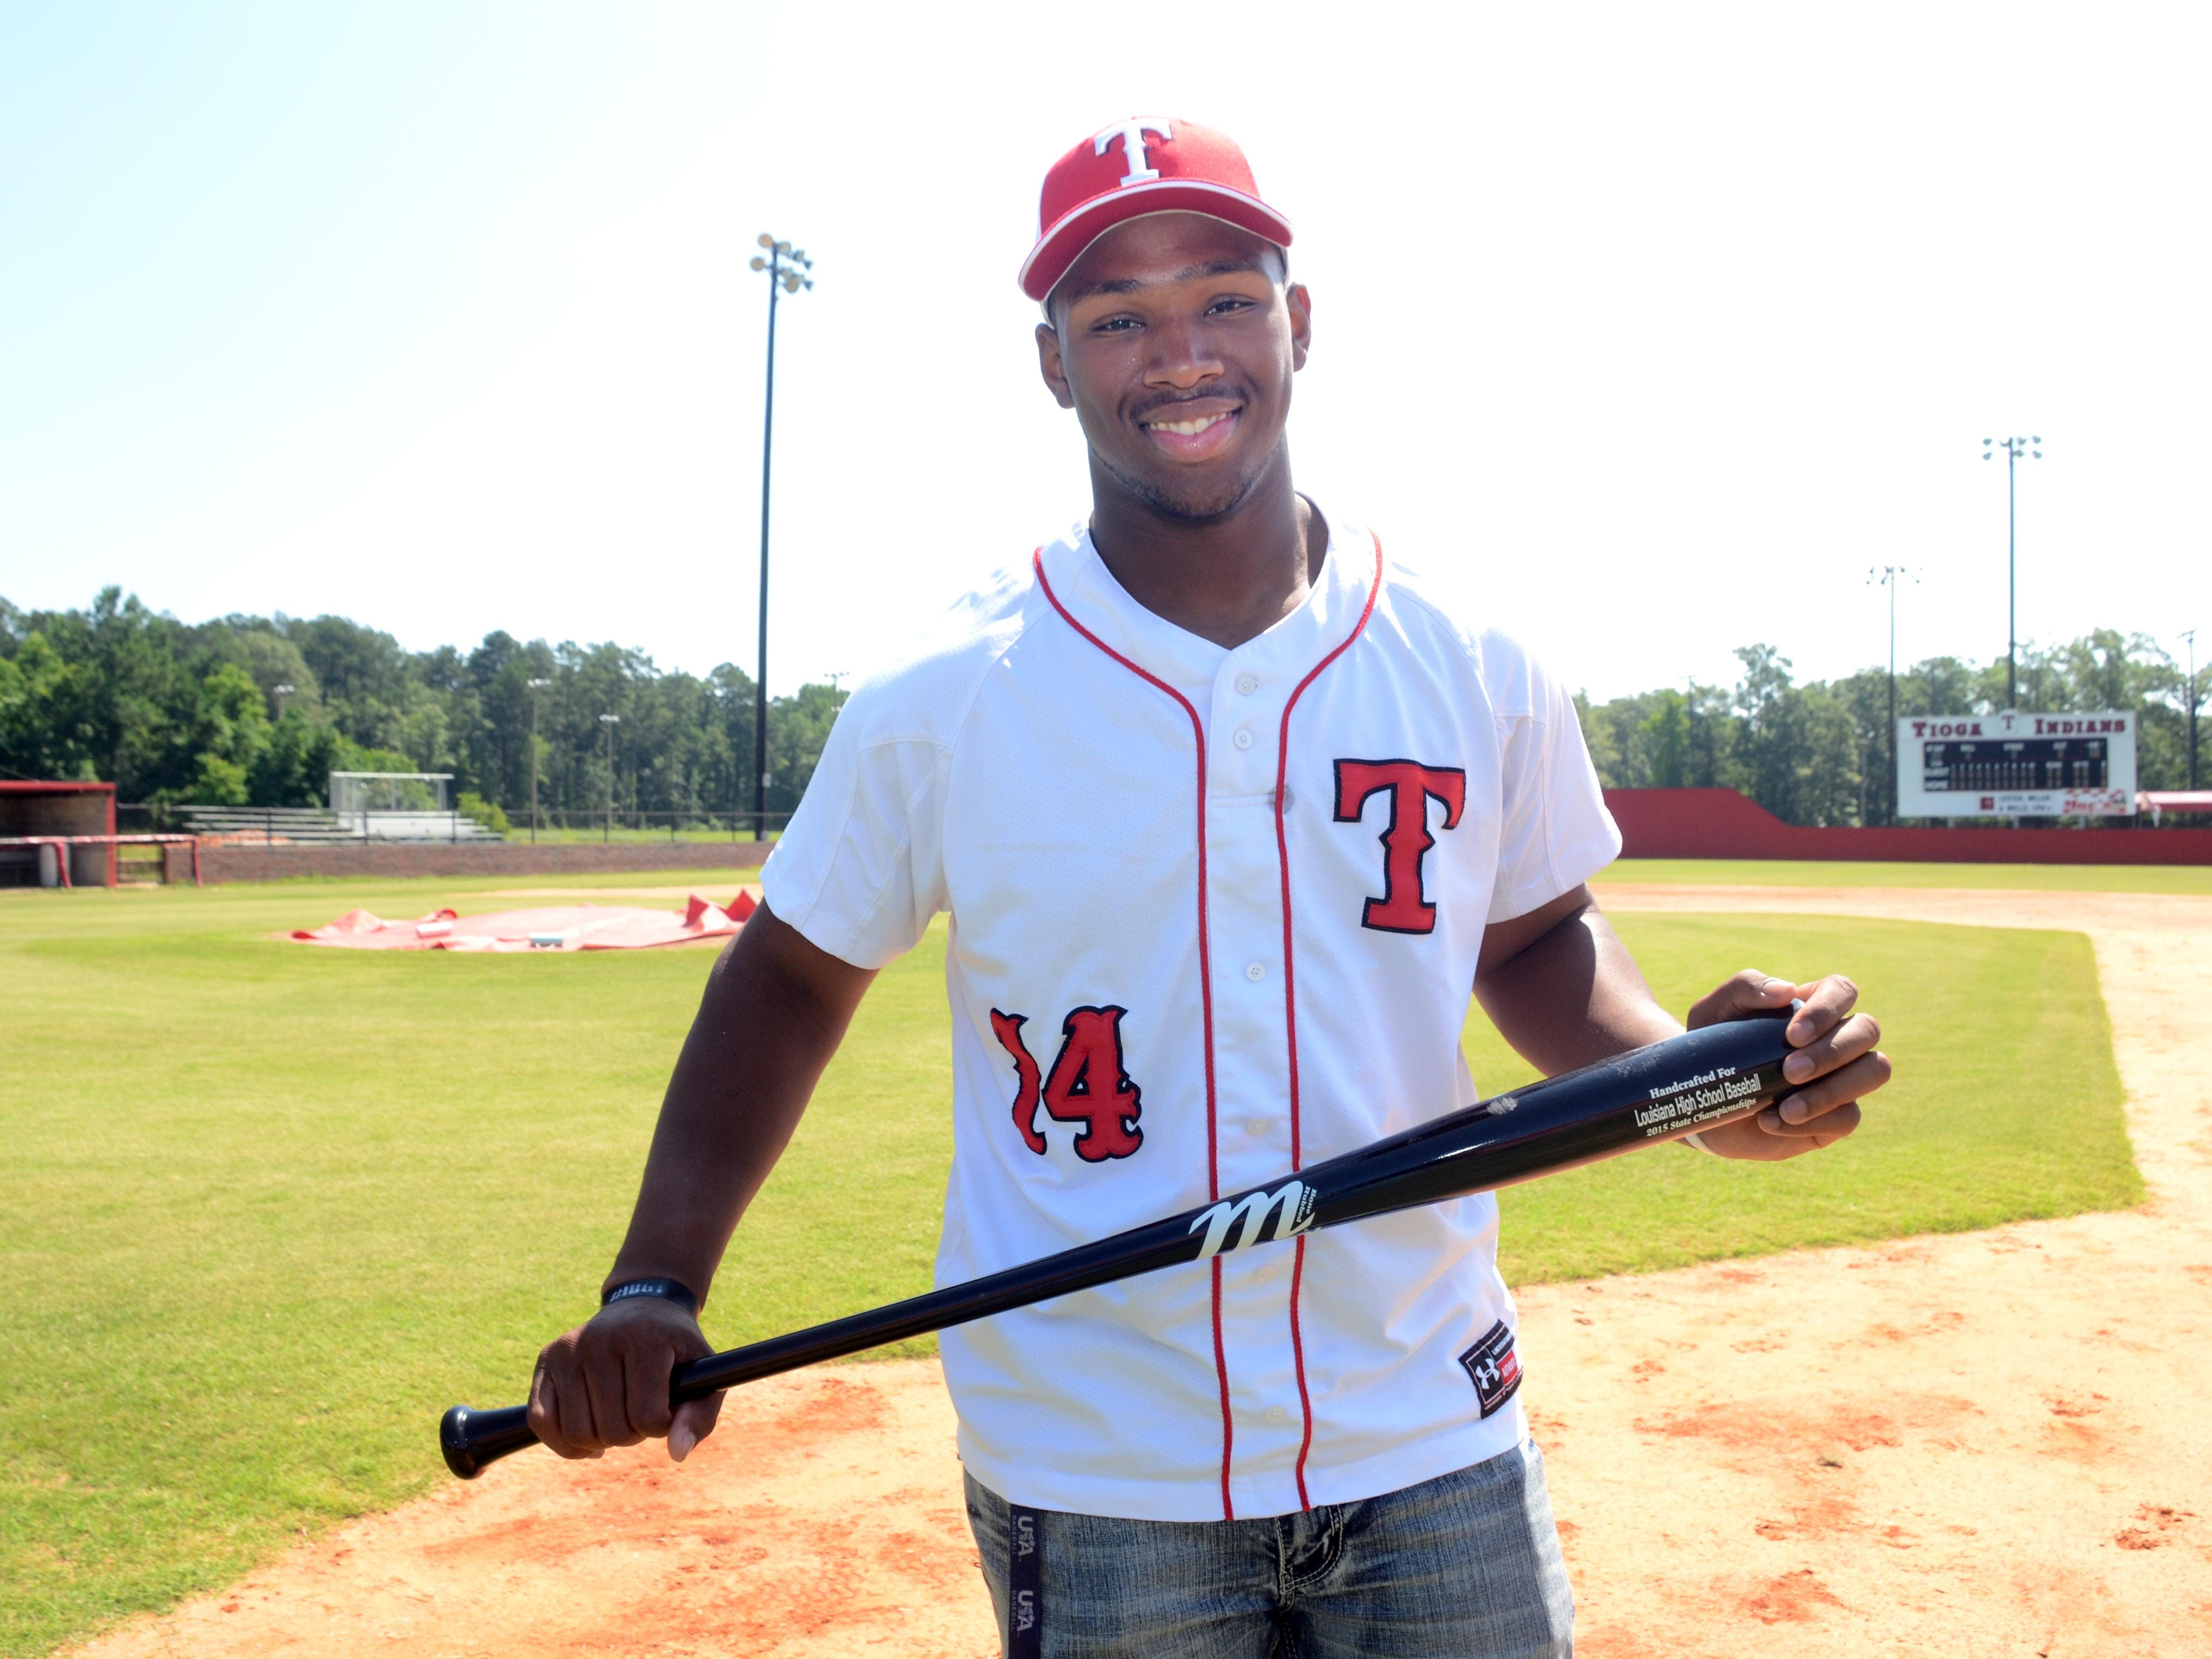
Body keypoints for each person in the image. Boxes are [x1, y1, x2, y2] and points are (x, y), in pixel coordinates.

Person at [527, 118, 1891, 1657]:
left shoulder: (1472, 657)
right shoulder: (947, 692)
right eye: (1118, 317)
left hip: (1427, 1422)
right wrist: (658, 1276)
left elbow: (1533, 939)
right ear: (1052, 362)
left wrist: (1682, 1079)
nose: (1179, 353)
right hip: (1099, 1463)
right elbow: (786, 974)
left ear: (1298, 322)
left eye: (1222, 298)